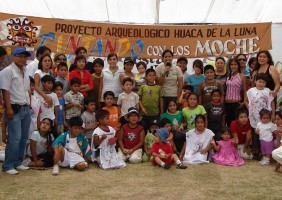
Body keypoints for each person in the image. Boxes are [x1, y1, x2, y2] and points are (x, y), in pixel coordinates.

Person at [0, 47, 32, 175]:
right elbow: (5, 91)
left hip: (25, 107)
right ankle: (8, 165)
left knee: (24, 137)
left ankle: (18, 162)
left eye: (25, 57)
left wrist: (28, 105)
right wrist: (8, 108)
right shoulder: (7, 71)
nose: (23, 59)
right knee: (15, 138)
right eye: (20, 56)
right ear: (14, 57)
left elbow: (26, 90)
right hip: (14, 108)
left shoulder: (25, 71)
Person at [138, 68, 163, 133]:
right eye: (149, 75)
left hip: (155, 114)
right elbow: (138, 99)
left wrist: (161, 112)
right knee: (144, 130)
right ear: (146, 77)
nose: (152, 77)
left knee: (154, 131)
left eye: (153, 75)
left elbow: (161, 100)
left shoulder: (158, 87)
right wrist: (142, 108)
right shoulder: (143, 86)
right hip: (144, 114)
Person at [225, 58, 247, 126]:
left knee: (237, 124)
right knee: (229, 123)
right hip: (227, 104)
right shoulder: (228, 76)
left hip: (236, 104)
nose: (233, 66)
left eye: (235, 64)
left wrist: (244, 102)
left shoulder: (242, 76)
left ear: (238, 66)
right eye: (231, 64)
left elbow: (245, 90)